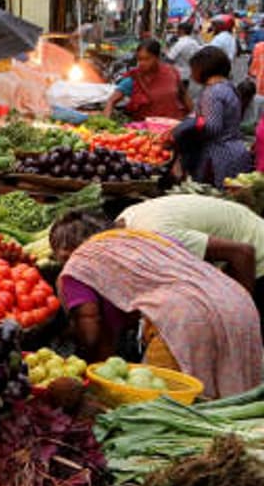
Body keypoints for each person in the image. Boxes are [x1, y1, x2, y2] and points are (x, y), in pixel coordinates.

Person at [49, 211, 263, 398]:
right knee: (230, 402)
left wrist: (80, 359)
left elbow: (90, 327)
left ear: (65, 250)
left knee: (168, 405)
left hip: (184, 318)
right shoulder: (151, 238)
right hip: (237, 302)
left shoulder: (80, 264)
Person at [116, 195, 264, 298]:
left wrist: (244, 313)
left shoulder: (159, 234)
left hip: (257, 255)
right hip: (241, 236)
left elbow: (243, 253)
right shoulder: (125, 217)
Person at [188, 46, 253, 187]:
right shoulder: (228, 87)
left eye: (193, 69)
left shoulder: (213, 92)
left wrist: (186, 128)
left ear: (202, 69)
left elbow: (212, 127)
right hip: (235, 151)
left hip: (218, 156)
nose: (191, 74)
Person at [104, 40, 191, 121]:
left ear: (157, 57)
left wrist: (192, 117)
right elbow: (111, 101)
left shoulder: (171, 72)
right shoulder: (134, 78)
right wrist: (105, 122)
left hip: (173, 123)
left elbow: (183, 94)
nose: (141, 63)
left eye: (147, 59)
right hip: (146, 127)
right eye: (139, 59)